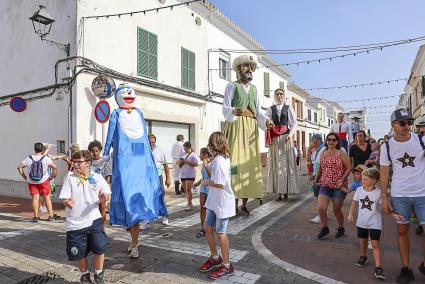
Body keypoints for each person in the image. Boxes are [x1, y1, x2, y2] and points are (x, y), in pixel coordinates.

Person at [103, 85, 167, 259]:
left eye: (131, 93)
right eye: (125, 93)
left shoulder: (139, 112)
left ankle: (135, 242)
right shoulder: (116, 113)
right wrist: (105, 152)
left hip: (140, 156)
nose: (129, 95)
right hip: (125, 157)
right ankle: (134, 241)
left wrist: (149, 158)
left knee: (138, 197)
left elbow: (145, 136)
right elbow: (110, 134)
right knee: (127, 193)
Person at [222, 54, 272, 214]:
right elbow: (225, 108)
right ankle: (233, 204)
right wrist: (233, 111)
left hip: (251, 128)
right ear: (238, 69)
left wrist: (266, 121)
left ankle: (244, 204)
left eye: (251, 67)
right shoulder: (231, 86)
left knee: (250, 165)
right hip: (236, 126)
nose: (249, 69)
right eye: (245, 66)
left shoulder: (255, 89)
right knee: (235, 165)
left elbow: (258, 112)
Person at [380, 108, 425, 283]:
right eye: (402, 123)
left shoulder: (421, 140)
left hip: (423, 194)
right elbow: (384, 172)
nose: (407, 126)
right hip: (400, 195)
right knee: (402, 230)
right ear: (393, 125)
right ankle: (406, 268)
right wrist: (384, 197)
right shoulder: (387, 146)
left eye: (409, 122)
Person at [59, 150, 111, 284]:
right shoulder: (70, 178)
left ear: (88, 163)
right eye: (74, 161)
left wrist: (104, 198)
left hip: (94, 220)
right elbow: (64, 198)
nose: (75, 164)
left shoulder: (98, 177)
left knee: (100, 248)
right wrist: (67, 202)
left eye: (79, 162)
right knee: (80, 253)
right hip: (75, 224)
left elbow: (106, 194)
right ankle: (85, 275)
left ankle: (99, 274)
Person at [199, 132, 236, 279]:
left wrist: (208, 182)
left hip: (221, 202)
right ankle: (215, 258)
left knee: (221, 233)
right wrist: (207, 166)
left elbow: (220, 183)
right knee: (208, 228)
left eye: (210, 144)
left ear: (215, 145)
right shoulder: (219, 159)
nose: (209, 147)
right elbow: (214, 172)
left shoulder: (220, 160)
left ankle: (227, 265)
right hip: (215, 201)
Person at [347, 167, 385, 280]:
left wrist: (392, 213)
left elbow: (384, 207)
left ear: (374, 180)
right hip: (362, 222)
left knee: (375, 244)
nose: (362, 181)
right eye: (362, 179)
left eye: (365, 179)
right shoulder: (359, 190)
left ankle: (378, 267)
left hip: (375, 222)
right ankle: (363, 257)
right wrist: (350, 214)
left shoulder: (379, 193)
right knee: (363, 242)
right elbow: (354, 202)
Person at [313, 133, 352, 239]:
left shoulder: (342, 153)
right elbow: (321, 168)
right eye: (329, 139)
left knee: (336, 209)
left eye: (334, 140)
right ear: (326, 141)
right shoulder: (323, 153)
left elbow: (349, 168)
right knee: (321, 208)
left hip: (339, 186)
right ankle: (325, 228)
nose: (331, 141)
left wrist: (342, 180)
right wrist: (316, 179)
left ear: (337, 142)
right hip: (325, 184)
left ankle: (341, 228)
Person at [265, 88, 299, 201]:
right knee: (276, 164)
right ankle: (279, 193)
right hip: (274, 139)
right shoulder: (270, 109)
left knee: (285, 165)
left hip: (285, 138)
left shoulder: (288, 108)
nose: (279, 96)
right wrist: (268, 123)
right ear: (274, 96)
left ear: (284, 96)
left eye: (281, 94)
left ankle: (286, 192)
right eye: (277, 94)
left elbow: (294, 123)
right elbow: (266, 120)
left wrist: (291, 134)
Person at [17, 142, 60, 222]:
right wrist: (53, 175)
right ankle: (50, 215)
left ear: (34, 149)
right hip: (44, 181)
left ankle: (36, 216)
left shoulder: (29, 158)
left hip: (32, 181)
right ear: (43, 149)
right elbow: (54, 167)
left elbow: (19, 167)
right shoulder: (45, 158)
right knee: (47, 197)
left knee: (35, 198)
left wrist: (25, 177)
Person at [148, 134, 171, 225]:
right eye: (149, 142)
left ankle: (164, 216)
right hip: (147, 177)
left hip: (157, 176)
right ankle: (148, 218)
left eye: (153, 142)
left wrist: (168, 178)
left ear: (155, 142)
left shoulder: (159, 151)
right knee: (147, 197)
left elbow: (165, 165)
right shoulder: (143, 150)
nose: (151, 144)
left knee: (160, 196)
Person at [88, 140, 112, 224]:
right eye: (93, 151)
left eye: (97, 151)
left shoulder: (105, 162)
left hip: (102, 189)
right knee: (92, 209)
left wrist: (103, 189)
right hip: (91, 189)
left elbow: (108, 176)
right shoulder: (88, 163)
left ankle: (101, 227)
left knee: (102, 208)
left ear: (100, 151)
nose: (95, 153)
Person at [193, 147, 212, 238]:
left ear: (205, 155)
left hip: (211, 190)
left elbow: (212, 175)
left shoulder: (212, 163)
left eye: (200, 154)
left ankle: (211, 227)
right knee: (202, 209)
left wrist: (206, 165)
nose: (199, 155)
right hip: (203, 190)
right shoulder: (203, 164)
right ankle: (203, 229)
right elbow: (204, 177)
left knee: (212, 210)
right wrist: (197, 184)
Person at [309, 133, 326, 224]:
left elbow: (322, 165)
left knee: (320, 197)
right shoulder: (316, 150)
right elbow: (310, 160)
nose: (312, 143)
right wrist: (309, 150)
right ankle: (322, 214)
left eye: (314, 141)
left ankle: (321, 216)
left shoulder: (323, 149)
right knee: (318, 196)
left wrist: (319, 177)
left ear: (318, 140)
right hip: (316, 174)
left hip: (320, 176)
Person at [178, 141, 200, 211]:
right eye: (184, 148)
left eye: (186, 149)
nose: (185, 150)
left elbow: (196, 164)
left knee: (188, 189)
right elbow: (179, 162)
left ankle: (189, 204)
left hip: (190, 174)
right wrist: (179, 162)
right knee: (185, 190)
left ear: (190, 148)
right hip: (183, 174)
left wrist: (186, 161)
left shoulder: (193, 155)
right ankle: (189, 202)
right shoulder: (182, 153)